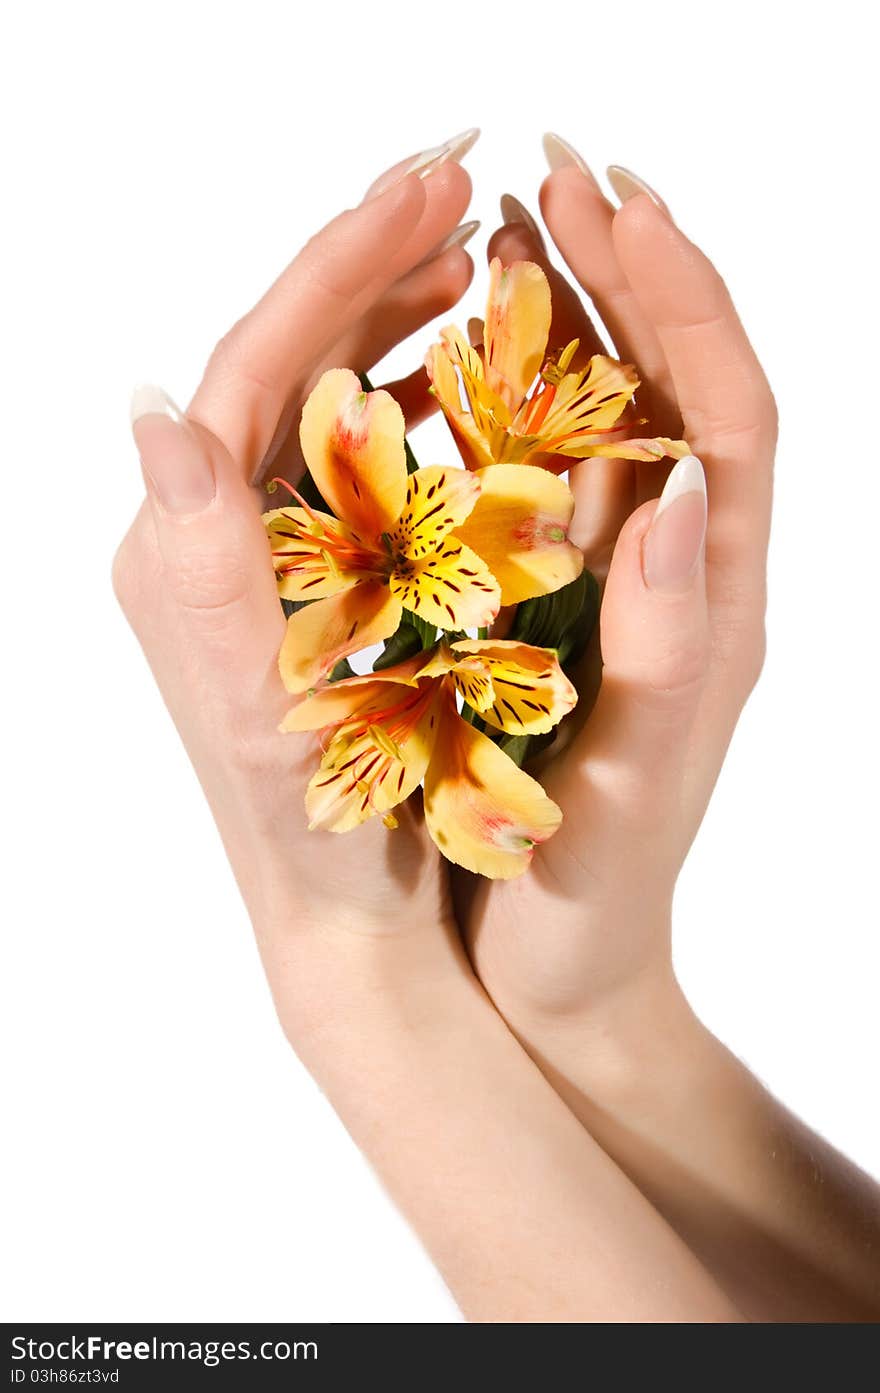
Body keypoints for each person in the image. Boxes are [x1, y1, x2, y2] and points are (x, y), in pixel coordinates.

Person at [113, 129, 880, 1323]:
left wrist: (362, 985)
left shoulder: (426, 598)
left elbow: (438, 524)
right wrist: (600, 1012)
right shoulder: (398, 608)